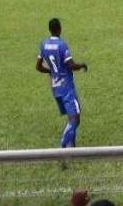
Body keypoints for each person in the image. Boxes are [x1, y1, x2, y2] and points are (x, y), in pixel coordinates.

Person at [36, 18, 88, 148]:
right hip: (66, 87)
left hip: (55, 88)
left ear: (50, 30)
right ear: (59, 29)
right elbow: (70, 65)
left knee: (71, 117)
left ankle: (72, 148)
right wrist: (81, 65)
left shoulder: (44, 44)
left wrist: (51, 71)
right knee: (75, 118)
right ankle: (63, 145)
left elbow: (38, 66)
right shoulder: (62, 45)